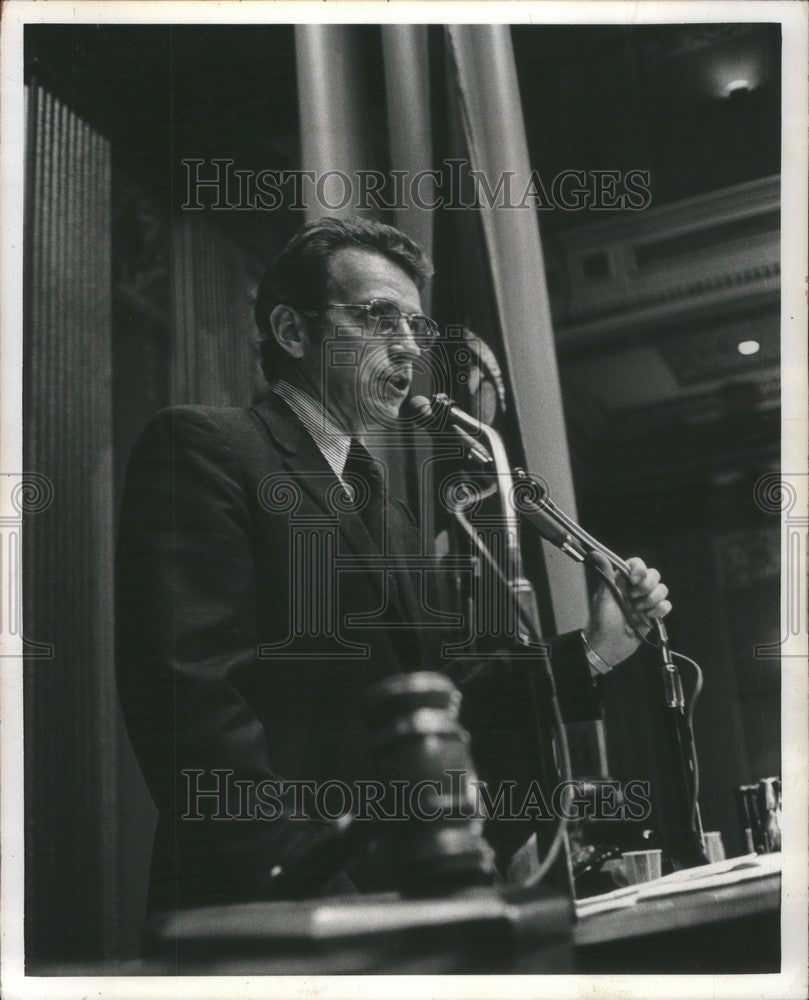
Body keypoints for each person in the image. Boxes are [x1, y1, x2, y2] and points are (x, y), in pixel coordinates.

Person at [115, 216, 672, 913]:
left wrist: (592, 650)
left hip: (398, 895)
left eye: (415, 325)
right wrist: (306, 875)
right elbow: (189, 701)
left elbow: (438, 696)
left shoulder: (386, 505)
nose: (407, 346)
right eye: (379, 317)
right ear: (292, 331)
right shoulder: (206, 448)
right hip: (269, 902)